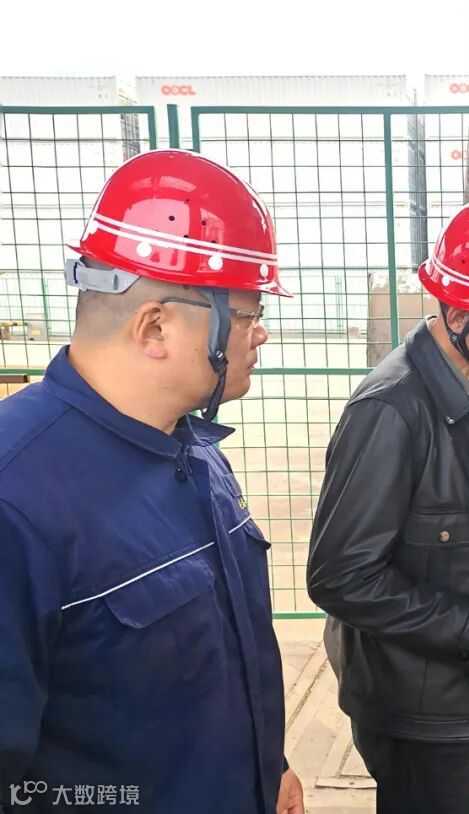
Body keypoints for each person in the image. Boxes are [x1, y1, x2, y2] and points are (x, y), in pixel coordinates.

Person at [0, 150, 303, 813]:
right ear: (156, 326)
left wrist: (268, 767)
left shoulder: (191, 449)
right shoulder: (17, 501)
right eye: (246, 315)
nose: (260, 335)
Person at [307, 199, 469, 814]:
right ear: (457, 312)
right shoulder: (392, 409)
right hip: (413, 706)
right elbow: (341, 576)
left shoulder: (464, 388)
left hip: (451, 689)